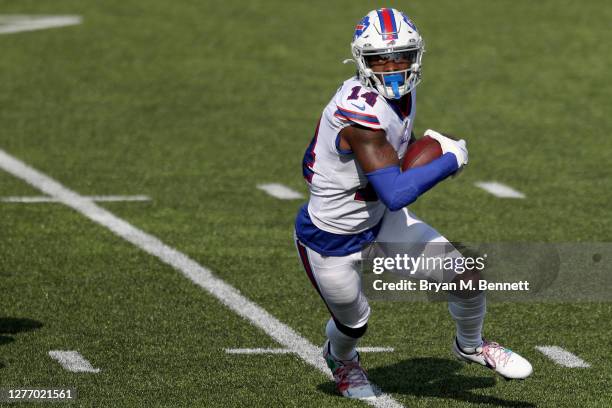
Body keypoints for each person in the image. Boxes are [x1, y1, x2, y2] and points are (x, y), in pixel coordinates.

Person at [294, 8, 533, 400]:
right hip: (331, 238)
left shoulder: (403, 92)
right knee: (354, 324)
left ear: (416, 55)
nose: (392, 68)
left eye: (401, 56)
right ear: (361, 61)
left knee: (466, 275)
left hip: (382, 221)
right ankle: (341, 358)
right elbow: (397, 192)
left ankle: (471, 345)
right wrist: (450, 159)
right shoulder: (357, 114)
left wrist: (431, 153)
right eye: (380, 60)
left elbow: (396, 158)